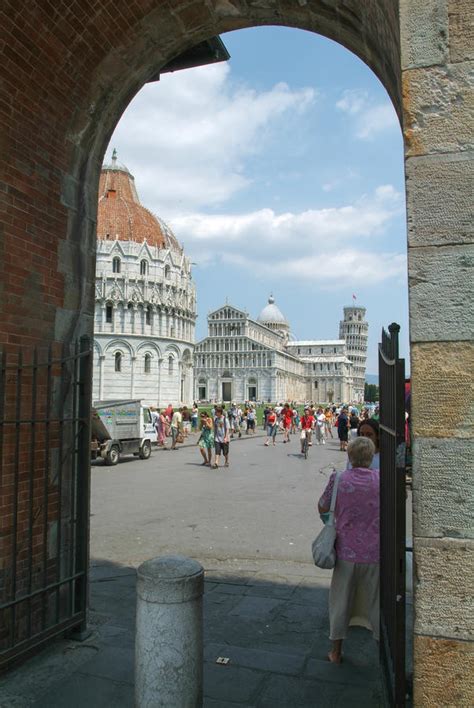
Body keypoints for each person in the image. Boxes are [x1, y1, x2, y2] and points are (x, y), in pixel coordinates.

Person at [318, 437, 379, 664]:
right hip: (375, 552)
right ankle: (384, 652)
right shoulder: (381, 480)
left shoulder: (339, 478)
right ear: (371, 457)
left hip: (346, 552)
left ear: (349, 456)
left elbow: (323, 505)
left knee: (340, 602)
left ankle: (336, 651)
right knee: (376, 602)